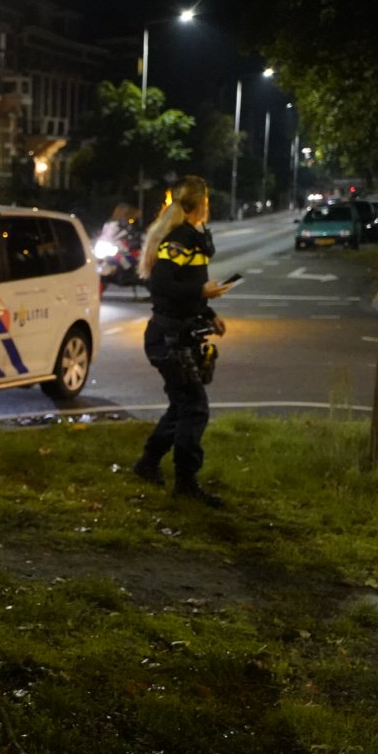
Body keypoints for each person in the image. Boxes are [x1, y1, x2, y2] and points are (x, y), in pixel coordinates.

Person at [131, 175, 232, 508]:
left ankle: (147, 463)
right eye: (207, 202)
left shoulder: (193, 239)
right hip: (168, 338)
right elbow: (162, 287)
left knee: (181, 406)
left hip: (176, 334)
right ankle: (186, 483)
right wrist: (201, 292)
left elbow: (186, 288)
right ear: (200, 205)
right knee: (195, 408)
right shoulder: (179, 241)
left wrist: (208, 311)